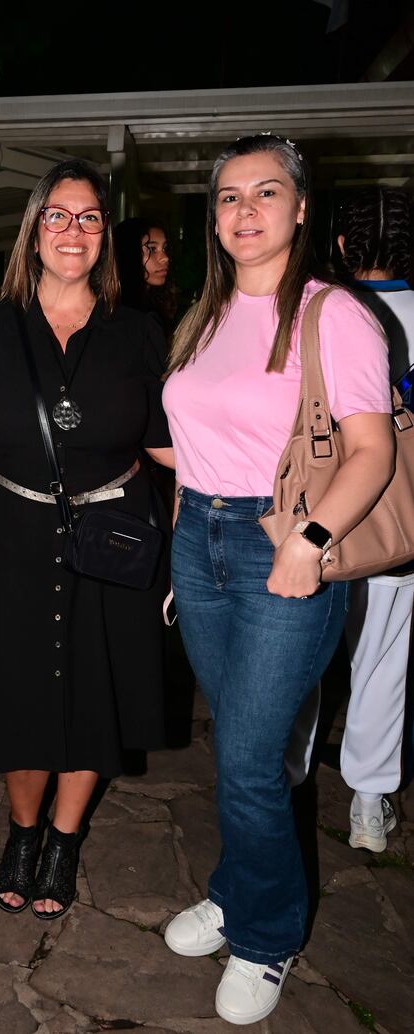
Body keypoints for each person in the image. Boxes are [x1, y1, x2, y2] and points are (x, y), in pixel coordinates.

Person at [161, 135, 394, 1025]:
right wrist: (183, 558)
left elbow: (371, 451)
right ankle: (235, 889)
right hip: (203, 544)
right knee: (238, 751)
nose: (244, 211)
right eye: (227, 197)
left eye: (265, 193)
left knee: (254, 764)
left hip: (282, 545)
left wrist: (310, 539)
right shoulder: (205, 314)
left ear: (301, 208)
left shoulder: (334, 314)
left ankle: (267, 936)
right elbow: (191, 448)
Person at [0, 158, 173, 921]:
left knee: (93, 695)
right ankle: (24, 830)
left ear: (106, 236)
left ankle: (65, 840)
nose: (73, 231)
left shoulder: (139, 333)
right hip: (8, 536)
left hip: (112, 536)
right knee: (17, 697)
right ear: (34, 229)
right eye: (58, 216)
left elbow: (175, 446)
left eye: (90, 218)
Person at [335, 188, 414, 849]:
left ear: (339, 245)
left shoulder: (321, 312)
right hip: (398, 525)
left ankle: (287, 773)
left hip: (320, 518)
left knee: (300, 660)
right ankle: (368, 804)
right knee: (384, 661)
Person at [113, 217, 176, 334]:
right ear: (129, 254)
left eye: (164, 248)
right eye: (152, 249)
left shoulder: (157, 305)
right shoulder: (117, 316)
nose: (165, 258)